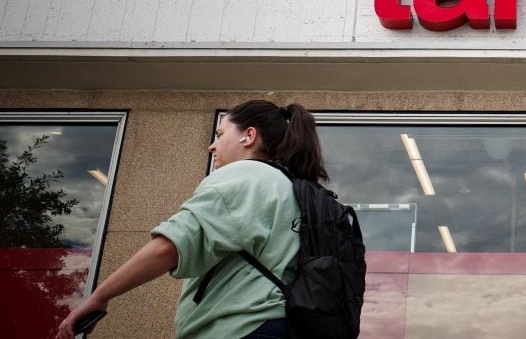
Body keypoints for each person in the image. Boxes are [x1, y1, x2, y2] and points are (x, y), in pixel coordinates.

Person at [56, 100, 329, 339]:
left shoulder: (244, 176)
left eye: (221, 134)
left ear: (249, 136)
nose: (212, 145)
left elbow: (170, 246)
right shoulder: (293, 188)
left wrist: (99, 297)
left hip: (238, 327)